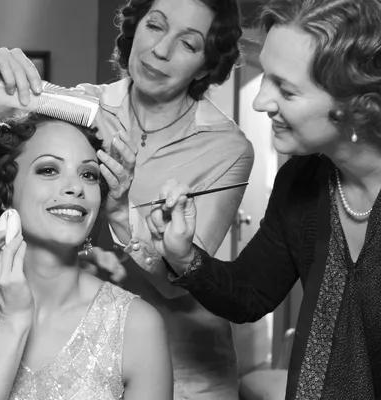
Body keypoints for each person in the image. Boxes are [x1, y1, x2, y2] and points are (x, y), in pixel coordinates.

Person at [0, 0, 253, 397]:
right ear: (135, 27)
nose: (161, 49)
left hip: (188, 369)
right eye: (155, 26)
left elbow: (181, 281)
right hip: (84, 357)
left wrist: (121, 213)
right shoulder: (79, 107)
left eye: (188, 43)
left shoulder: (226, 147)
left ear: (206, 63)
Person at [147, 0, 381, 398]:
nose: (260, 102)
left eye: (286, 90)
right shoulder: (300, 181)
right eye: (266, 78)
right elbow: (250, 294)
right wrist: (184, 256)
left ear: (356, 103)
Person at [0, 112, 172, 400]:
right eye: (49, 170)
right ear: (4, 190)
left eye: (88, 174)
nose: (75, 188)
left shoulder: (137, 327)